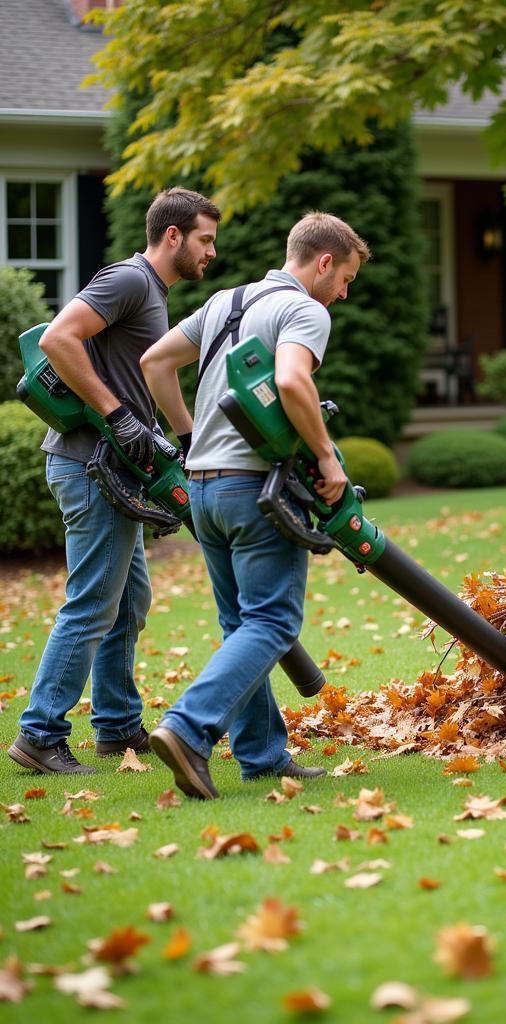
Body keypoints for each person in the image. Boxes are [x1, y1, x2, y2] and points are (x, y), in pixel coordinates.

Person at [139, 211, 369, 799]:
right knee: (272, 621)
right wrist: (328, 458)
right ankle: (189, 730)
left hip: (205, 489)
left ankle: (262, 756)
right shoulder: (304, 310)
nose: (343, 293)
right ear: (323, 263)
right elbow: (293, 382)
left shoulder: (226, 301)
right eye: (344, 278)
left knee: (242, 623)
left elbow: (155, 363)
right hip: (257, 491)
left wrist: (190, 438)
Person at [9, 188, 221, 776]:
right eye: (205, 239)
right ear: (173, 235)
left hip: (116, 471)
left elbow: (143, 375)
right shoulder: (129, 279)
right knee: (94, 602)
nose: (211, 253)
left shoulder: (151, 293)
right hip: (89, 466)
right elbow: (57, 338)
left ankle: (117, 725)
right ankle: (40, 733)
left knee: (129, 600)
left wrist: (183, 437)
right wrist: (116, 414)